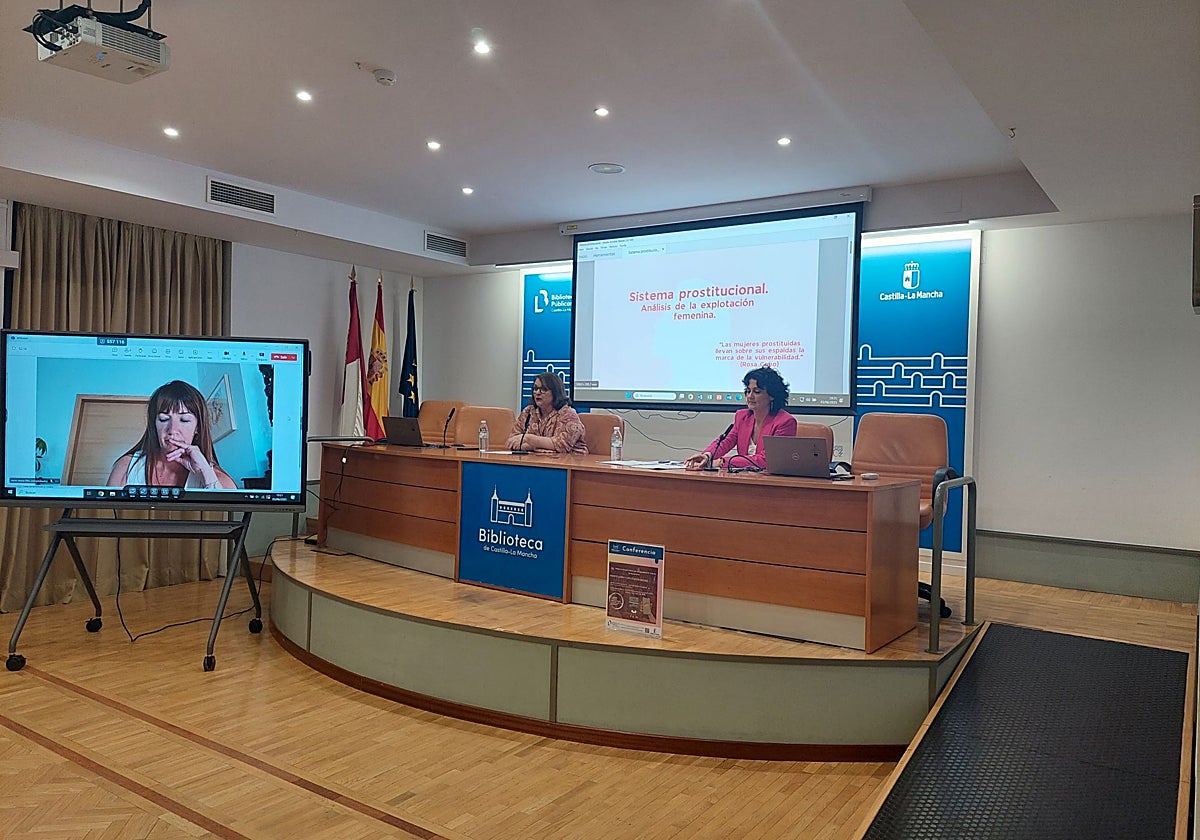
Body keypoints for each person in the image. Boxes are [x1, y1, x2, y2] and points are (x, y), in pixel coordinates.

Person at [106, 380, 238, 489]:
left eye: (184, 420)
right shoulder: (127, 466)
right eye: (164, 419)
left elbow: (224, 515)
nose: (172, 430)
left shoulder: (215, 476)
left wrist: (205, 471)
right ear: (154, 425)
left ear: (197, 427)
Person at [684, 366, 798, 471]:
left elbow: (766, 460)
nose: (750, 396)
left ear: (772, 395)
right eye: (748, 391)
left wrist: (722, 462)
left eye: (757, 392)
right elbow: (725, 442)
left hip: (770, 484)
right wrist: (707, 456)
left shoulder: (785, 422)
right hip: (743, 479)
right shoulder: (742, 417)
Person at [506, 372, 588, 454]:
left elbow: (561, 446)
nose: (537, 392)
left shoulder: (568, 414)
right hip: (536, 461)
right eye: (535, 388)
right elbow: (512, 441)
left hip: (570, 462)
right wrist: (535, 445)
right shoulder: (528, 412)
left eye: (543, 389)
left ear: (555, 392)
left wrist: (528, 439)